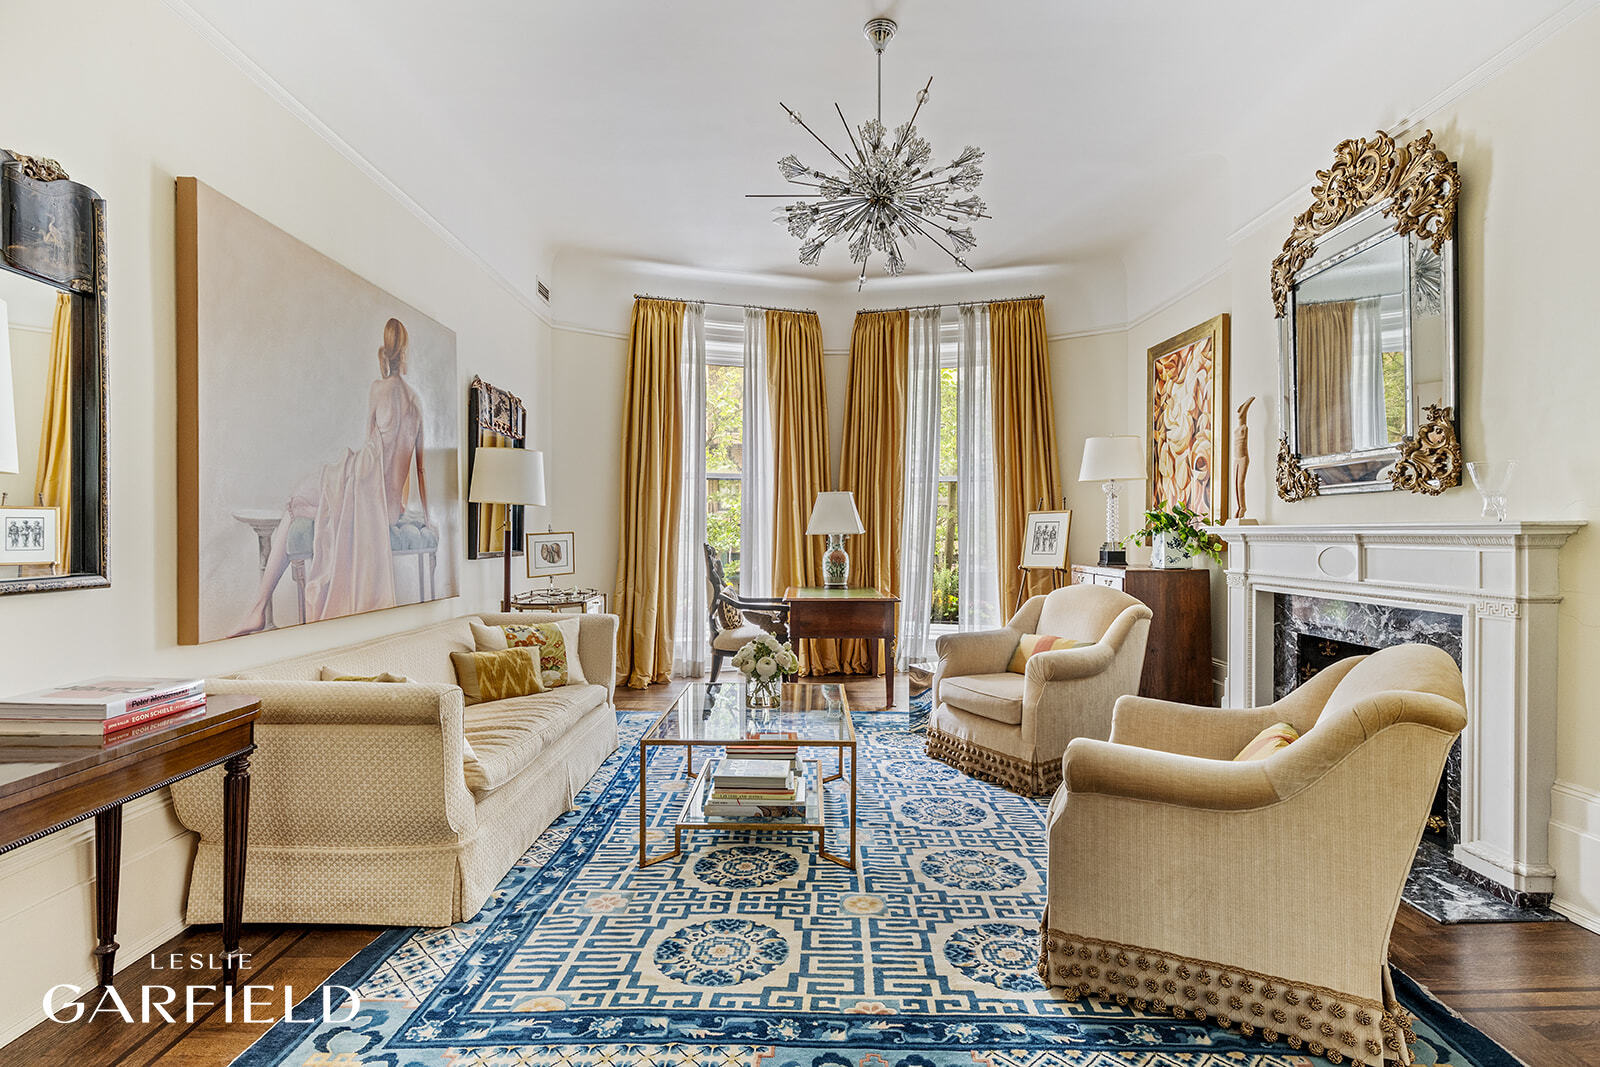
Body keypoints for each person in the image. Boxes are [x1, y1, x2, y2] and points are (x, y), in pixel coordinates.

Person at [231, 318, 430, 636]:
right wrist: (428, 517)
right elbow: (419, 468)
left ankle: (257, 608)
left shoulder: (378, 389)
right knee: (305, 503)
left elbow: (370, 446)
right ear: (405, 352)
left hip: (364, 483)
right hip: (391, 507)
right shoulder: (417, 402)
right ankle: (260, 606)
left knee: (296, 500)